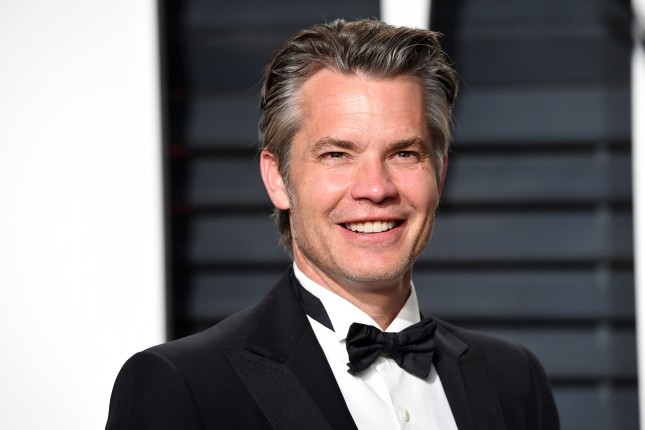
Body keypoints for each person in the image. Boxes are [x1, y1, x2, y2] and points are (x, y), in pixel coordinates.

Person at [106, 18, 559, 429]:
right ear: (278, 179)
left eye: (404, 153)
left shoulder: (515, 381)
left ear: (438, 175)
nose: (376, 188)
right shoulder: (181, 387)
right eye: (337, 154)